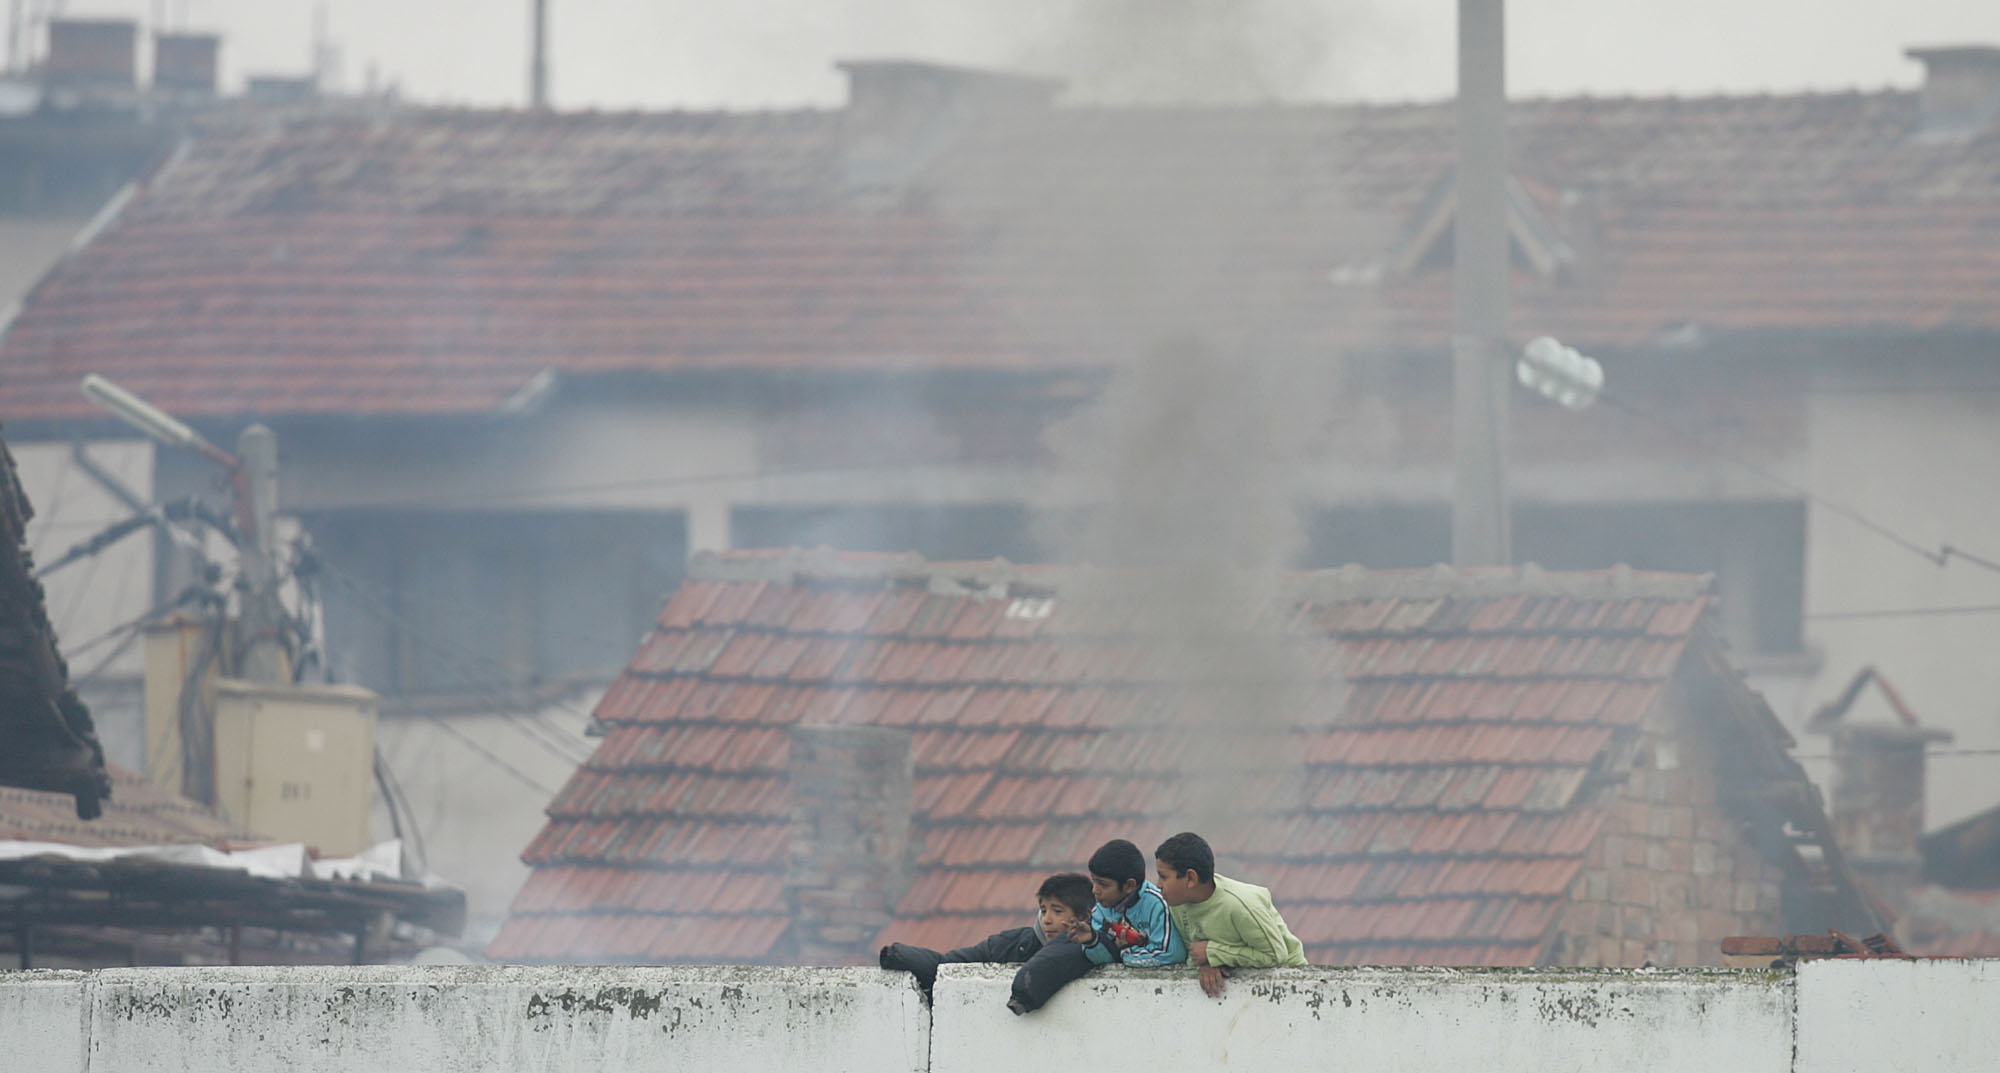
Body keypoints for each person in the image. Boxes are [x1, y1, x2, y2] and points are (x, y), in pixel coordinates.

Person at [1007, 838, 1188, 1015]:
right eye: (1094, 881)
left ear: (1129, 886)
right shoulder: (1101, 909)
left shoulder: (1157, 904)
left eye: (1103, 884)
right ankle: (1025, 993)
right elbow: (1103, 958)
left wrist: (1125, 955)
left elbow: (1171, 953)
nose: (1095, 890)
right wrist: (1092, 941)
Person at [879, 872, 1096, 996]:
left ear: (1085, 916)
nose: (1047, 919)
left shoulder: (1098, 951)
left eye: (1057, 911)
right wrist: (897, 955)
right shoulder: (1012, 944)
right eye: (1043, 910)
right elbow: (948, 967)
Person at [1153, 831, 1307, 997]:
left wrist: (1213, 953)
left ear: (1191, 878)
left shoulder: (1240, 905)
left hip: (1290, 987)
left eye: (1164, 877)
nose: (1158, 885)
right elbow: (1192, 953)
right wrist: (1205, 964)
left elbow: (1274, 955)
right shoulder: (1176, 903)